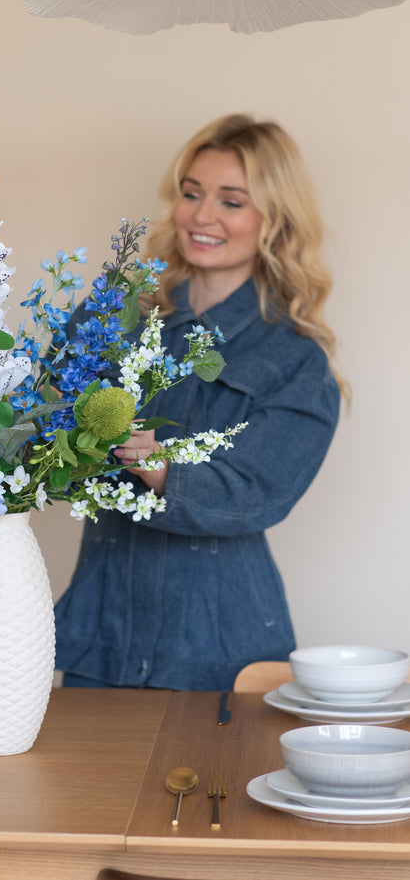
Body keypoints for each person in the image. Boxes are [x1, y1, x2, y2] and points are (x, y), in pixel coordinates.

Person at [54, 113, 346, 690]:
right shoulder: (116, 315)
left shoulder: (295, 360)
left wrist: (155, 465)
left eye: (231, 201)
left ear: (275, 219)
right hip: (100, 635)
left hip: (222, 652)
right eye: (192, 193)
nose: (202, 216)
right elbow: (44, 417)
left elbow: (259, 493)